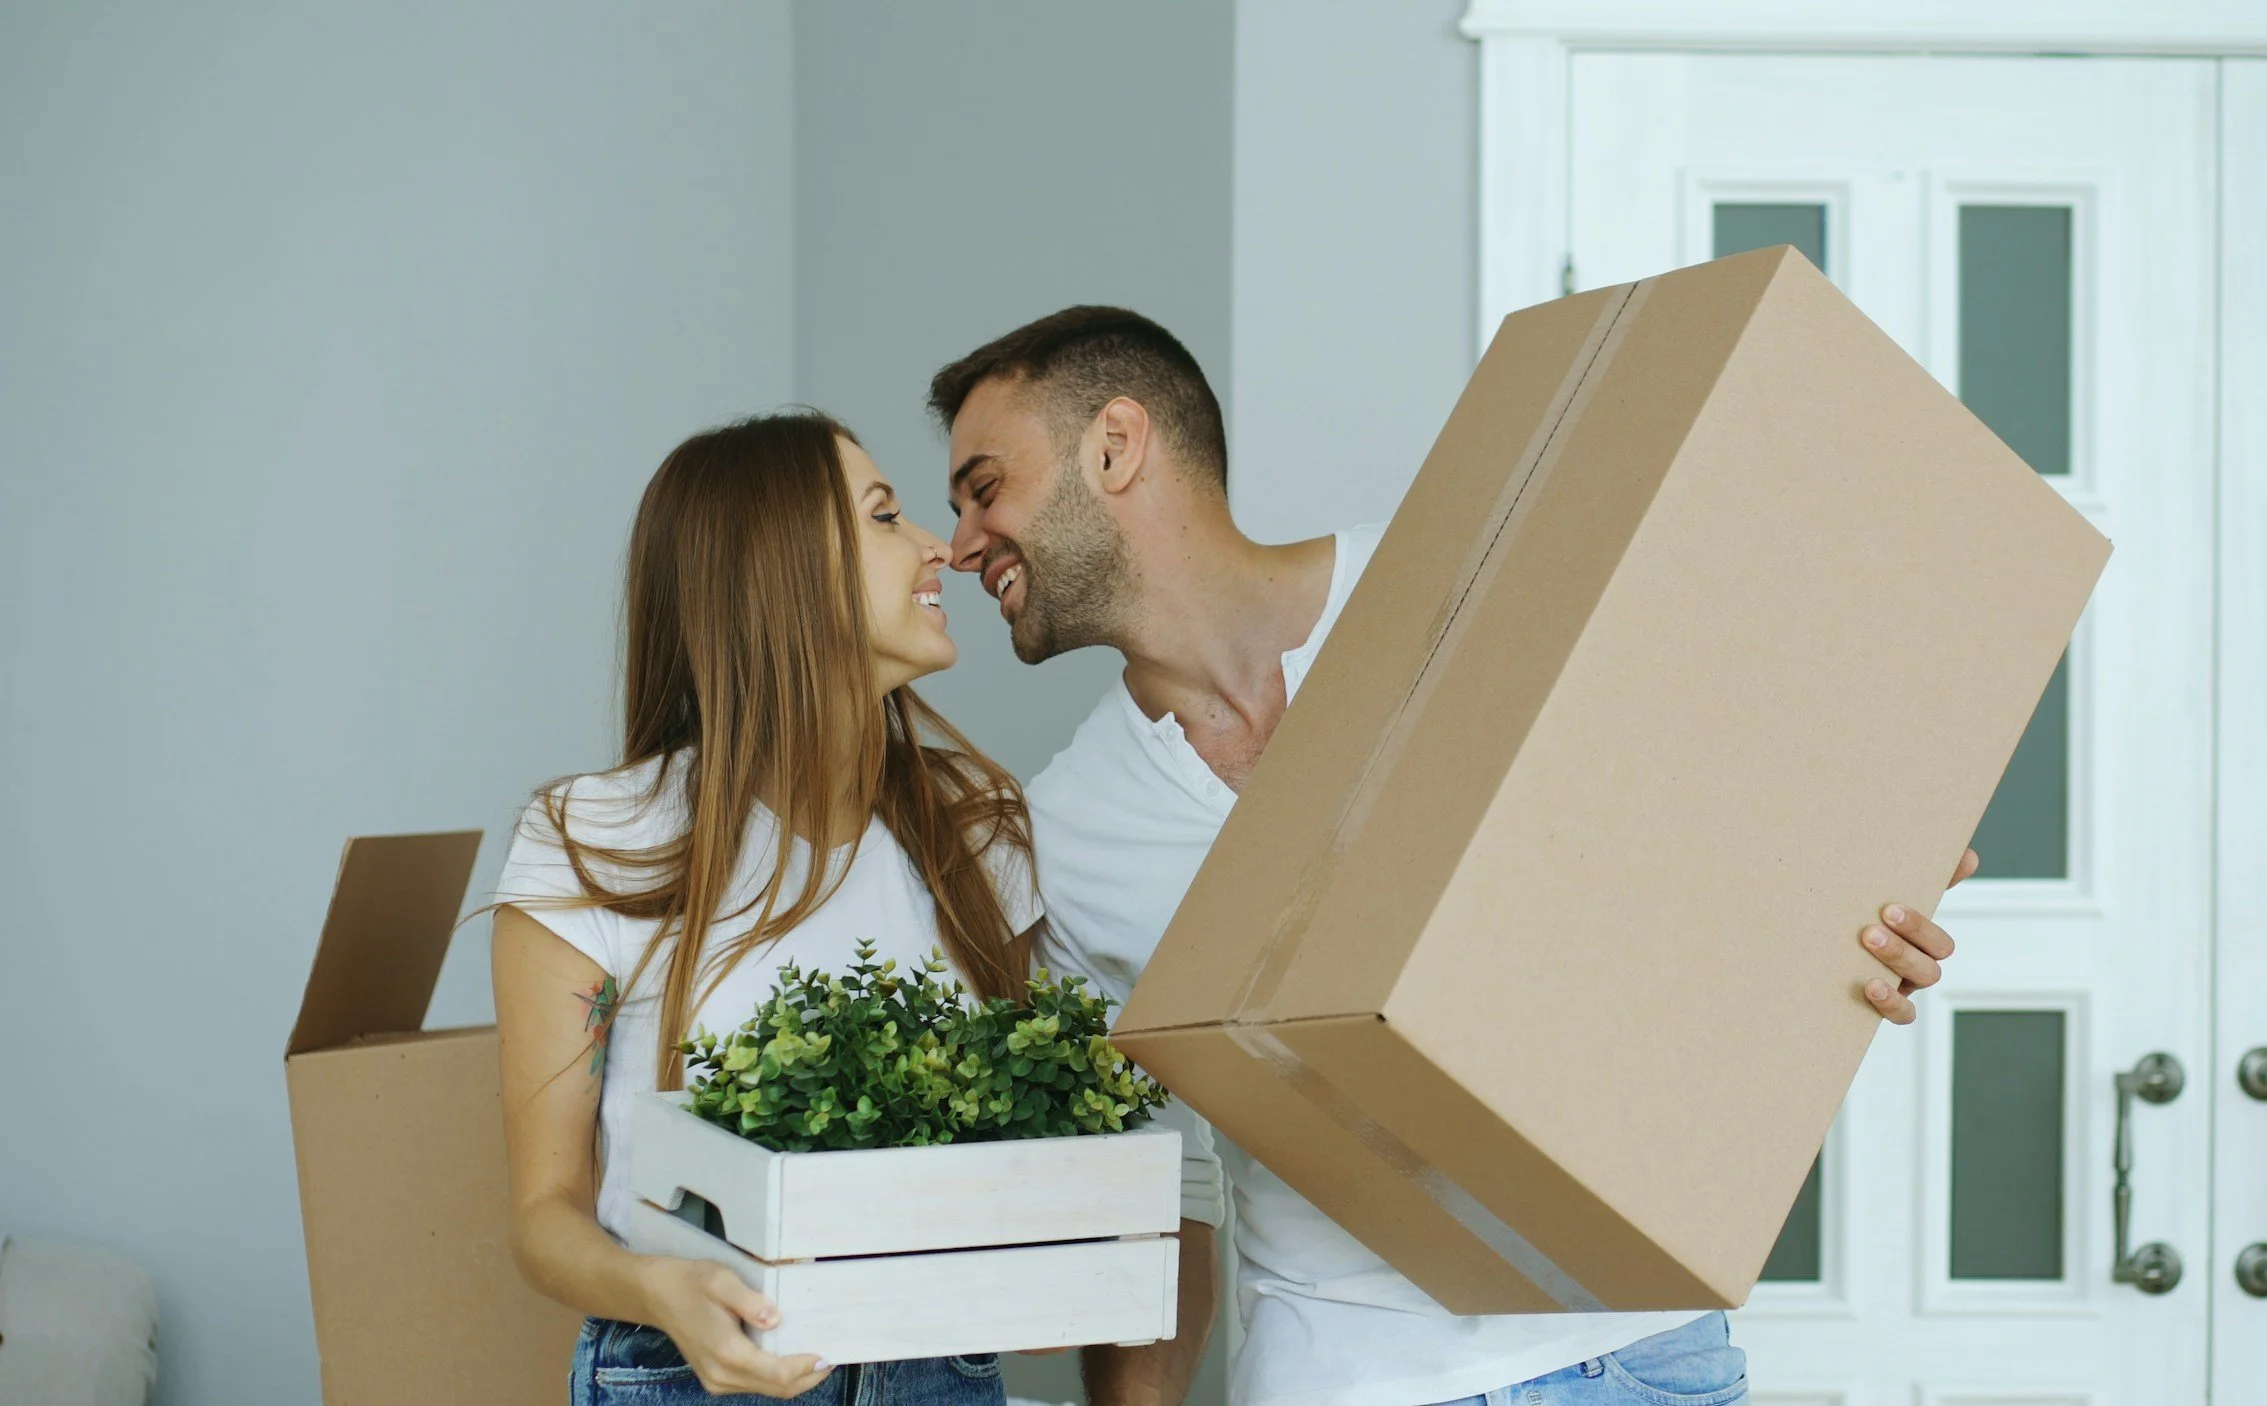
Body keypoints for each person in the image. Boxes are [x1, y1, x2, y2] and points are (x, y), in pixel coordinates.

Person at [930, 307, 1976, 1406]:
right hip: (1351, 1373)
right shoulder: (1065, 832)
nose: (960, 544)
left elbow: (1697, 828)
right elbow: (1164, 1178)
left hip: (1642, 1350)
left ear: (1115, 444)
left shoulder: (1473, 587)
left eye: (984, 488)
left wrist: (1858, 902)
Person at [490, 411, 1046, 1404]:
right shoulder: (595, 840)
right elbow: (545, 1212)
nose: (939, 548)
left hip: (941, 1369)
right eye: (885, 516)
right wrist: (657, 1288)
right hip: (693, 1372)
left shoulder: (978, 829)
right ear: (777, 569)